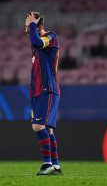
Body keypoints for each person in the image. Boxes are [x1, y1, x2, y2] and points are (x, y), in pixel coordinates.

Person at [25, 12, 62, 175]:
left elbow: (37, 41)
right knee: (48, 129)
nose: (27, 29)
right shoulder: (36, 47)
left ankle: (47, 164)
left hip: (48, 89)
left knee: (38, 126)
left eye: (30, 26)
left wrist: (33, 23)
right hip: (38, 92)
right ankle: (55, 166)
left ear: (39, 26)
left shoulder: (51, 37)